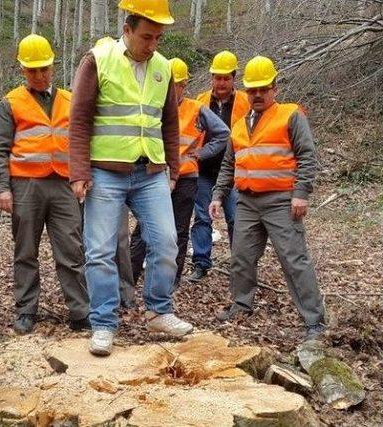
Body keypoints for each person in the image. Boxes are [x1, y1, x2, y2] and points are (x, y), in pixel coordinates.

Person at [69, 0, 194, 356]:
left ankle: (159, 310)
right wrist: (78, 170)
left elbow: (170, 121)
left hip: (150, 171)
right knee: (100, 251)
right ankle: (104, 323)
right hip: (105, 172)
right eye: (146, 37)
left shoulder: (163, 68)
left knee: (167, 241)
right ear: (127, 29)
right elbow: (78, 119)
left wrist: (173, 166)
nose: (152, 45)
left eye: (158, 38)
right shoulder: (98, 60)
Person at [210, 56, 326, 342]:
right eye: (253, 90)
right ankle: (241, 305)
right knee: (241, 257)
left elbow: (307, 156)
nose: (258, 95)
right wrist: (217, 195)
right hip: (247, 201)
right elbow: (229, 164)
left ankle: (314, 320)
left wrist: (301, 194)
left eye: (263, 88)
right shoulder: (238, 126)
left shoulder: (290, 115)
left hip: (281, 201)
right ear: (246, 91)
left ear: (275, 87)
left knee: (293, 259)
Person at [0, 34, 90, 334]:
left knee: (71, 251)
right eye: (32, 70)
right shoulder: (11, 103)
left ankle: (80, 311)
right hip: (25, 186)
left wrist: (82, 175)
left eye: (44, 68)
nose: (39, 74)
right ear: (23, 70)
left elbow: (82, 141)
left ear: (52, 66)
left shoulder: (71, 100)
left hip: (63, 186)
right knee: (25, 251)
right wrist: (1, 187)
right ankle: (26, 309)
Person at [129, 58, 230, 286]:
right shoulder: (151, 106)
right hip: (154, 177)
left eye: (172, 84)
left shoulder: (195, 108)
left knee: (179, 229)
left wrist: (201, 153)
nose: (166, 89)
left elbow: (223, 133)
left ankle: (171, 279)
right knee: (144, 228)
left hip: (185, 177)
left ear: (183, 85)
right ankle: (130, 278)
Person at [188, 50, 250, 282]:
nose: (221, 82)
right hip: (204, 170)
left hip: (234, 171)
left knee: (236, 218)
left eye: (226, 78)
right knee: (203, 217)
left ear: (234, 78)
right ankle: (201, 263)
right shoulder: (201, 101)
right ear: (211, 77)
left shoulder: (245, 101)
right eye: (217, 77)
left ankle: (240, 264)